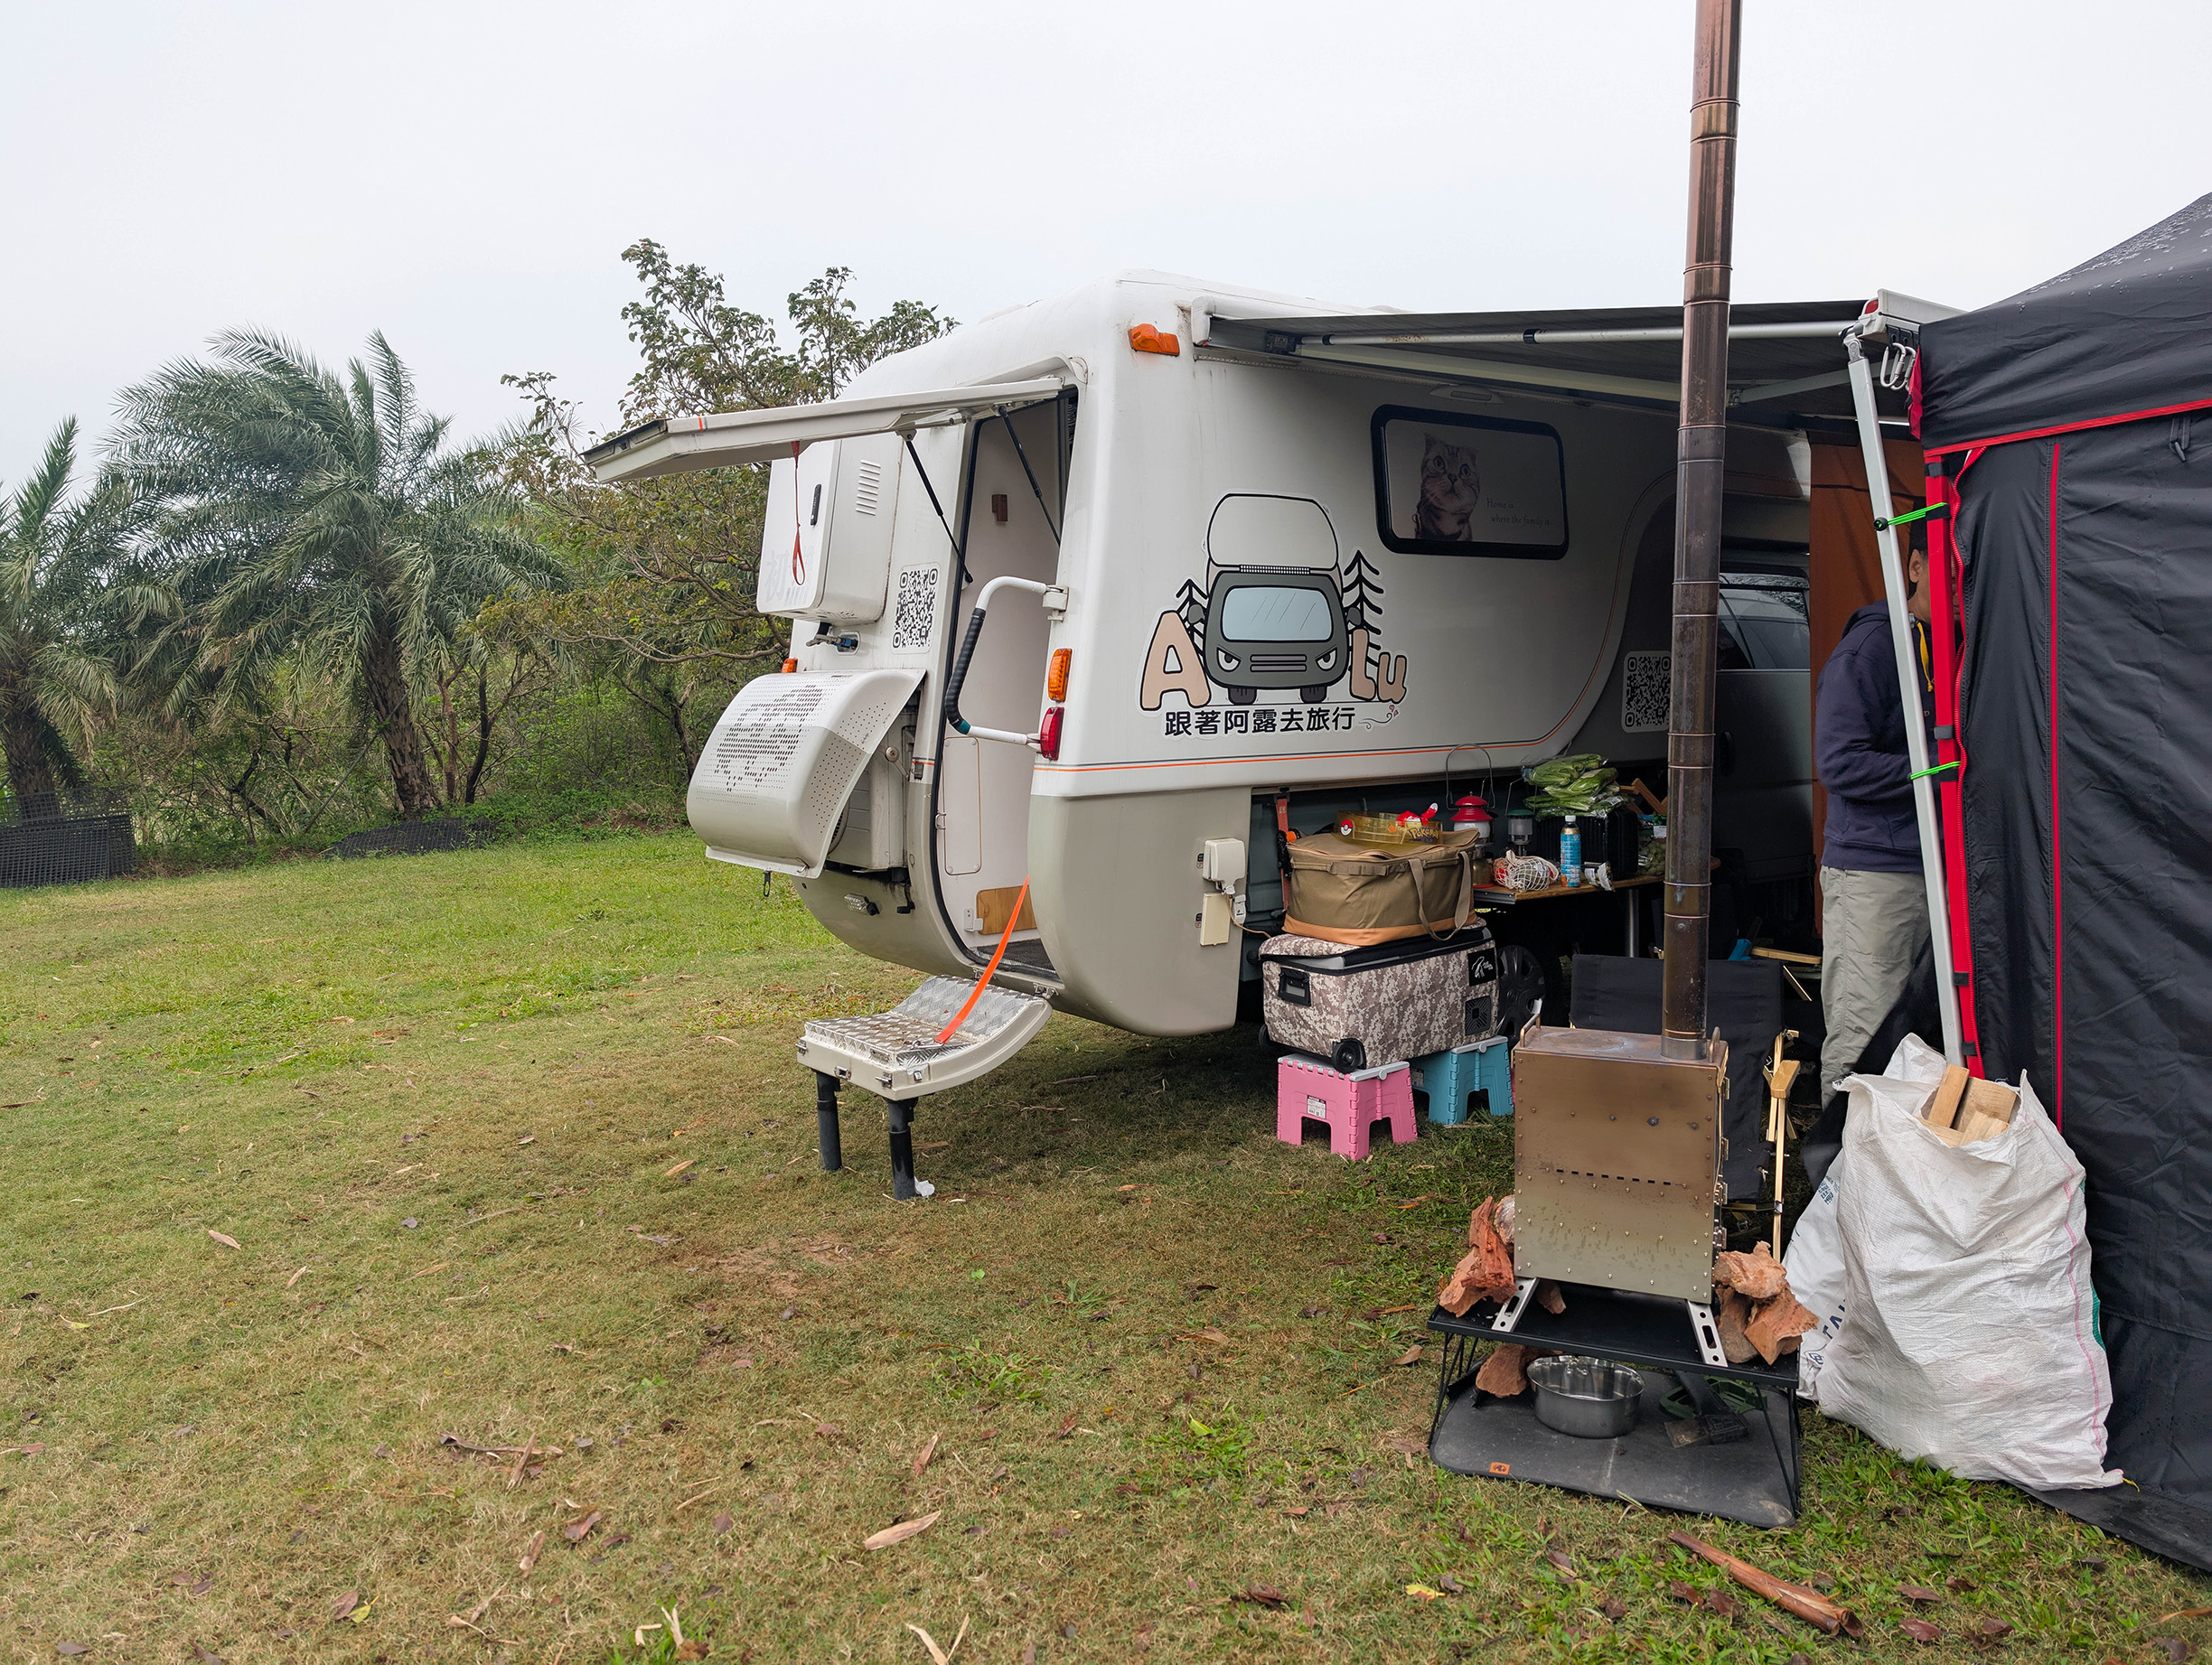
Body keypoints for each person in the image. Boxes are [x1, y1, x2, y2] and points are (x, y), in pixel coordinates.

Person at [1814, 540, 1935, 1102]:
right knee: (1863, 1036)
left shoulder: (1955, 648)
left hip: (1937, 870)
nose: (1965, 586)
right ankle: (1843, 1177)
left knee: (1925, 1034)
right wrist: (1934, 768)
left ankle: (1900, 1178)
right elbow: (1838, 760)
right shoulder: (1870, 648)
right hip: (1874, 874)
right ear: (1914, 566)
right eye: (1950, 569)